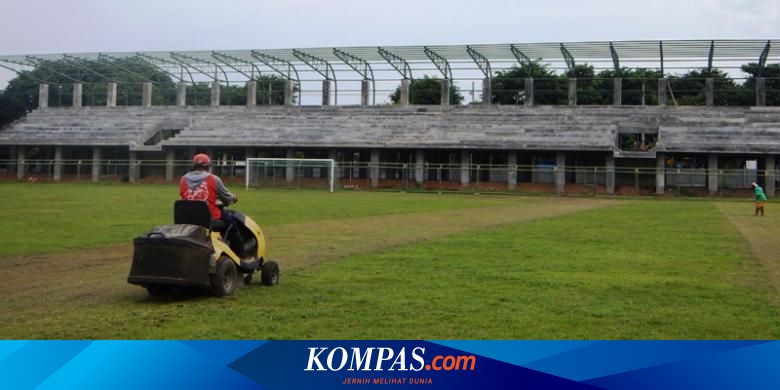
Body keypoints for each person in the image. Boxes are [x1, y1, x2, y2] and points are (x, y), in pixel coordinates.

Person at [180, 153, 242, 235]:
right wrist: (234, 198)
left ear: (193, 166)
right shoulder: (213, 178)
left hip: (187, 218)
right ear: (208, 166)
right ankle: (238, 246)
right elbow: (227, 198)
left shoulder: (183, 179)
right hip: (209, 218)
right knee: (231, 222)